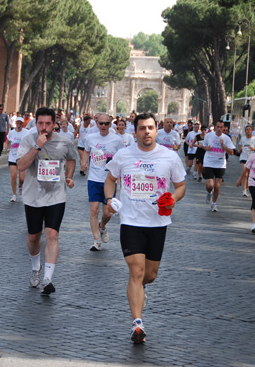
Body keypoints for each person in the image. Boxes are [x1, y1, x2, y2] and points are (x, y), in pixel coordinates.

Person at [104, 112, 186, 344]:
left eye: (150, 127)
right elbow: (110, 179)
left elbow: (180, 186)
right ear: (135, 131)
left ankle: (140, 292)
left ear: (156, 130)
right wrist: (109, 199)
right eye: (142, 128)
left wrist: (173, 198)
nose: (146, 132)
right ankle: (137, 324)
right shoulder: (123, 155)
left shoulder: (169, 157)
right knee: (136, 271)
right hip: (131, 222)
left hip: (158, 223)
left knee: (149, 275)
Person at [16, 107, 77, 296]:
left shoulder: (65, 142)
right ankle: (36, 268)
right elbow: (21, 166)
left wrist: (69, 175)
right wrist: (37, 146)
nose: (44, 127)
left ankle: (48, 279)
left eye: (48, 123)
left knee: (52, 235)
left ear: (54, 123)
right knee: (34, 236)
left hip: (56, 195)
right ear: (36, 123)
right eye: (40, 123)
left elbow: (72, 158)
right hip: (33, 196)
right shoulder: (28, 140)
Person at [81, 113, 125, 251]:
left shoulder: (117, 140)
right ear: (97, 124)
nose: (103, 126)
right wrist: (83, 161)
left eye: (106, 124)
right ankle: (96, 241)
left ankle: (102, 227)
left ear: (111, 124)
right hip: (93, 178)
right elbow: (86, 151)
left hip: (109, 180)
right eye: (101, 123)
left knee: (107, 213)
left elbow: (122, 157)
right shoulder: (90, 137)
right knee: (94, 209)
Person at [201, 120, 235, 212]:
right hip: (209, 162)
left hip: (220, 164)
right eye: (218, 127)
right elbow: (204, 146)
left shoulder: (226, 138)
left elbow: (231, 153)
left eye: (221, 127)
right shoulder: (209, 136)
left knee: (217, 186)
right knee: (210, 185)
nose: (219, 129)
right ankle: (209, 193)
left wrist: (223, 145)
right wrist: (206, 148)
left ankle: (214, 204)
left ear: (224, 128)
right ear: (215, 127)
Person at [6, 117, 29, 202]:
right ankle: (14, 194)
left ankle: (20, 186)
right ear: (15, 123)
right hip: (12, 157)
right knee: (13, 175)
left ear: (22, 124)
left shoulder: (26, 132)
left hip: (22, 157)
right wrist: (6, 146)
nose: (19, 125)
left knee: (22, 179)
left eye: (20, 123)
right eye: (17, 123)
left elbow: (30, 141)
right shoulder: (12, 133)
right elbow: (7, 141)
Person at [237, 125, 255, 197]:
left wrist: (254, 149)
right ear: (245, 131)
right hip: (243, 157)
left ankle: (247, 188)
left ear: (252, 131)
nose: (248, 130)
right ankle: (244, 190)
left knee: (249, 175)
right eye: (247, 129)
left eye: (250, 129)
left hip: (252, 158)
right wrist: (239, 150)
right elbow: (240, 146)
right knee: (245, 173)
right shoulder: (243, 139)